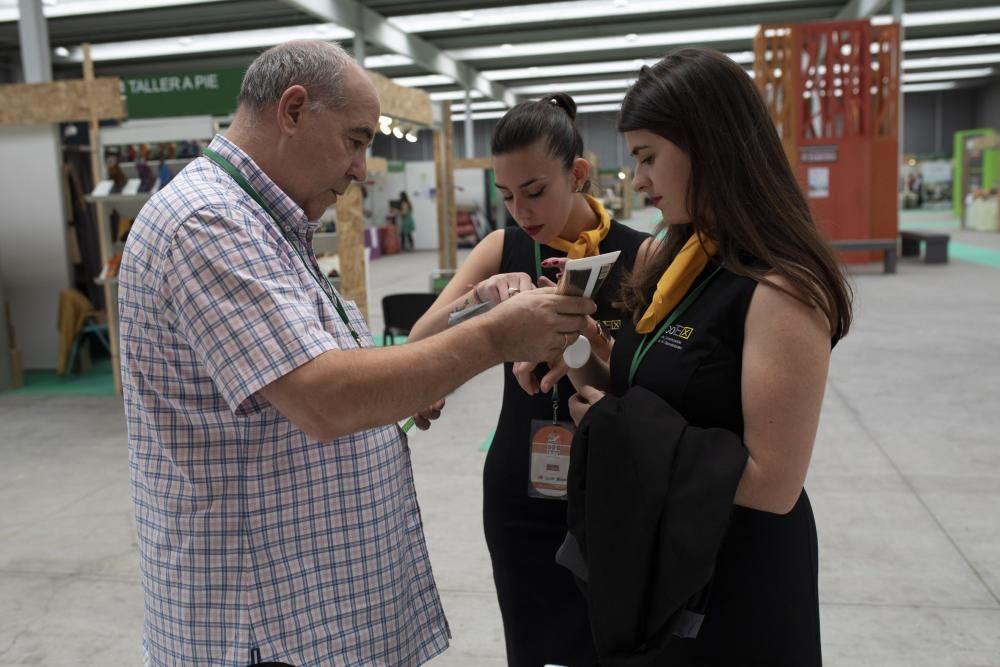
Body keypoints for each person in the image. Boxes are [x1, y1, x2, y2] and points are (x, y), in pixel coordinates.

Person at [117, 40, 595, 667]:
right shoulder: (209, 224)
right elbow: (325, 399)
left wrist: (429, 357)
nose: (361, 170)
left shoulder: (262, 224)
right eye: (356, 140)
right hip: (267, 628)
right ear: (292, 110)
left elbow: (322, 374)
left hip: (307, 615)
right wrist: (496, 335)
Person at [565, 47, 854, 665]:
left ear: (711, 146)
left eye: (648, 157)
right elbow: (644, 387)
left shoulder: (781, 291)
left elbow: (772, 484)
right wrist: (576, 342)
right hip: (662, 553)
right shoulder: (668, 258)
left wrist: (616, 437)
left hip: (738, 576)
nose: (637, 180)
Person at [408, 93, 650, 667]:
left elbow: (652, 387)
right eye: (507, 196)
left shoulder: (641, 256)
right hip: (520, 487)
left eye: (535, 191)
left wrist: (589, 344)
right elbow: (420, 340)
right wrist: (479, 299)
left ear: (579, 174)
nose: (521, 210)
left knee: (612, 642)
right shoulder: (503, 249)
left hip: (614, 488)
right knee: (531, 646)